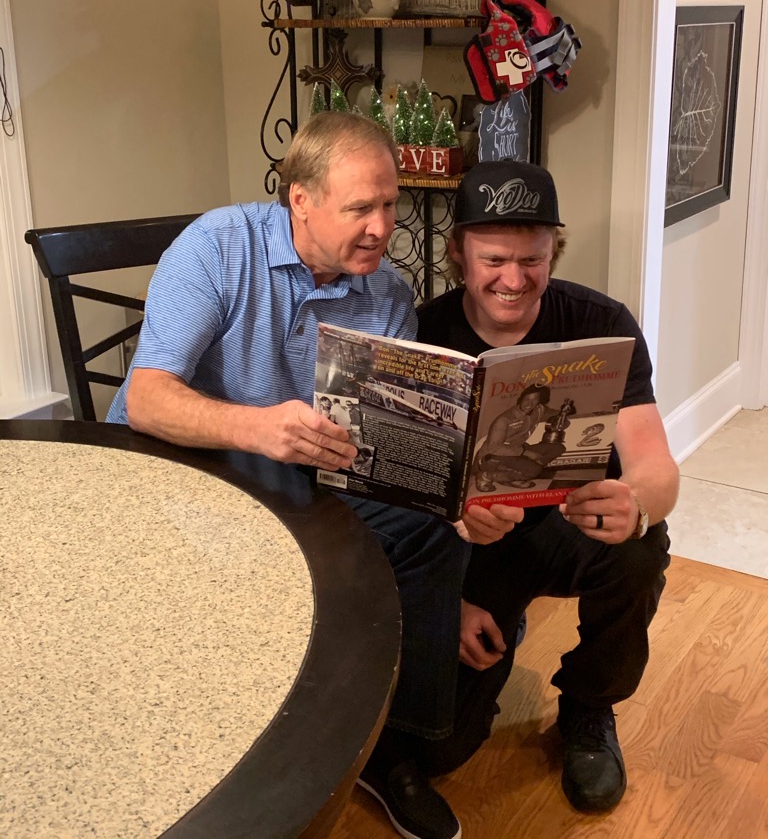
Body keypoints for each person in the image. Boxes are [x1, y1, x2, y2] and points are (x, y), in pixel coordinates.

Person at [107, 111, 519, 839]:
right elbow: (146, 398)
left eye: (390, 205)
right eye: (361, 207)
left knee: (433, 529)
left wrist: (446, 495)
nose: (381, 226)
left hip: (296, 482)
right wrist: (257, 427)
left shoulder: (386, 294)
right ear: (301, 199)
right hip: (175, 468)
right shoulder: (217, 249)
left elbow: (383, 443)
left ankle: (393, 748)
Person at [416, 159, 679, 813]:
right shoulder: (421, 333)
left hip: (571, 526)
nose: (514, 279)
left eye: (533, 259)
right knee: (440, 750)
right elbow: (399, 492)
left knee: (641, 550)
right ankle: (497, 626)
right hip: (473, 548)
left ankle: (589, 708)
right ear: (458, 253)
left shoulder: (602, 322)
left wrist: (638, 502)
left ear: (553, 251)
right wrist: (442, 598)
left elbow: (656, 464)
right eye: (495, 259)